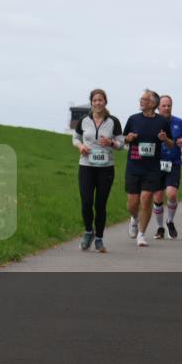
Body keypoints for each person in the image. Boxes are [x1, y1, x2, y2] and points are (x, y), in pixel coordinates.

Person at [72, 89, 124, 253]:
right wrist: (81, 146)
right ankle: (89, 232)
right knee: (86, 202)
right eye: (95, 100)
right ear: (91, 103)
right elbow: (75, 138)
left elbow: (121, 144)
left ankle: (99, 238)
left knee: (100, 204)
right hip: (86, 166)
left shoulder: (113, 121)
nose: (97, 103)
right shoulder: (84, 120)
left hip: (105, 168)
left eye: (100, 100)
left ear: (105, 102)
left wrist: (111, 142)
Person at [124, 89, 174, 247]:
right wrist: (128, 138)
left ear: (152, 103)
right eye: (141, 99)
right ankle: (134, 218)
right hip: (134, 166)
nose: (141, 101)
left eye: (144, 99)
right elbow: (123, 139)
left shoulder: (162, 122)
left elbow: (171, 144)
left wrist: (165, 139)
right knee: (132, 204)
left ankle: (141, 234)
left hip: (152, 168)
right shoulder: (133, 119)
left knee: (146, 200)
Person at [151, 95, 182, 240]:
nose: (166, 108)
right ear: (158, 107)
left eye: (169, 105)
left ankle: (170, 221)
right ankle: (159, 227)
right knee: (158, 196)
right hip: (156, 164)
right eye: (164, 105)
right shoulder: (153, 122)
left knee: (172, 194)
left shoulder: (179, 122)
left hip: (173, 163)